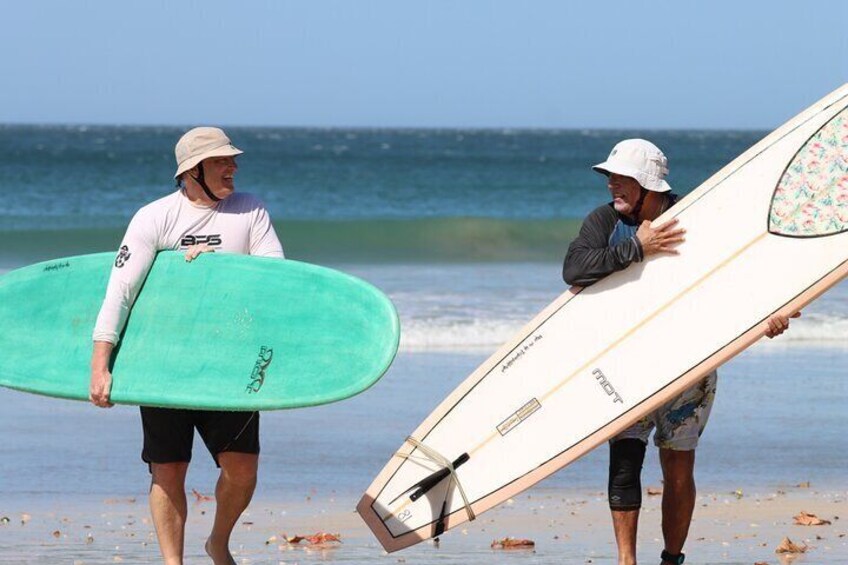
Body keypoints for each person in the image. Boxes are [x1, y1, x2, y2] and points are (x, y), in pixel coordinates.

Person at [562, 138, 795, 565]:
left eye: (622, 178)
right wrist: (637, 249)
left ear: (649, 185)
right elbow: (574, 269)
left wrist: (770, 313)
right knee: (625, 462)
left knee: (678, 470)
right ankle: (626, 561)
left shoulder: (698, 218)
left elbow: (740, 273)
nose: (612, 184)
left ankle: (672, 558)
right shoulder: (604, 221)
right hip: (626, 364)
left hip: (688, 366)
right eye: (609, 176)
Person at [89, 127, 284, 565]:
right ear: (192, 171)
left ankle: (218, 541)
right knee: (169, 469)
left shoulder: (249, 211)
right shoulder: (154, 218)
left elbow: (276, 280)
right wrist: (100, 365)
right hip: (164, 362)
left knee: (242, 469)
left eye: (231, 160)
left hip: (229, 364)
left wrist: (213, 270)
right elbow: (120, 291)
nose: (232, 167)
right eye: (220, 161)